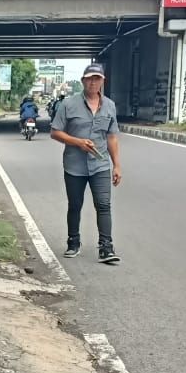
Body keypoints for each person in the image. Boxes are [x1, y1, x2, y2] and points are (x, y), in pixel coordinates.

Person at [50, 63, 122, 263]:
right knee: (75, 205)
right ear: (83, 81)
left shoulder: (109, 106)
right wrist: (78, 142)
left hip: (100, 165)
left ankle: (106, 247)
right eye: (89, 78)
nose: (93, 82)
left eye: (97, 79)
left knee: (104, 205)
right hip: (74, 166)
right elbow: (55, 132)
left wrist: (117, 165)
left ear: (103, 81)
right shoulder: (68, 104)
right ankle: (73, 242)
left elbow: (112, 137)